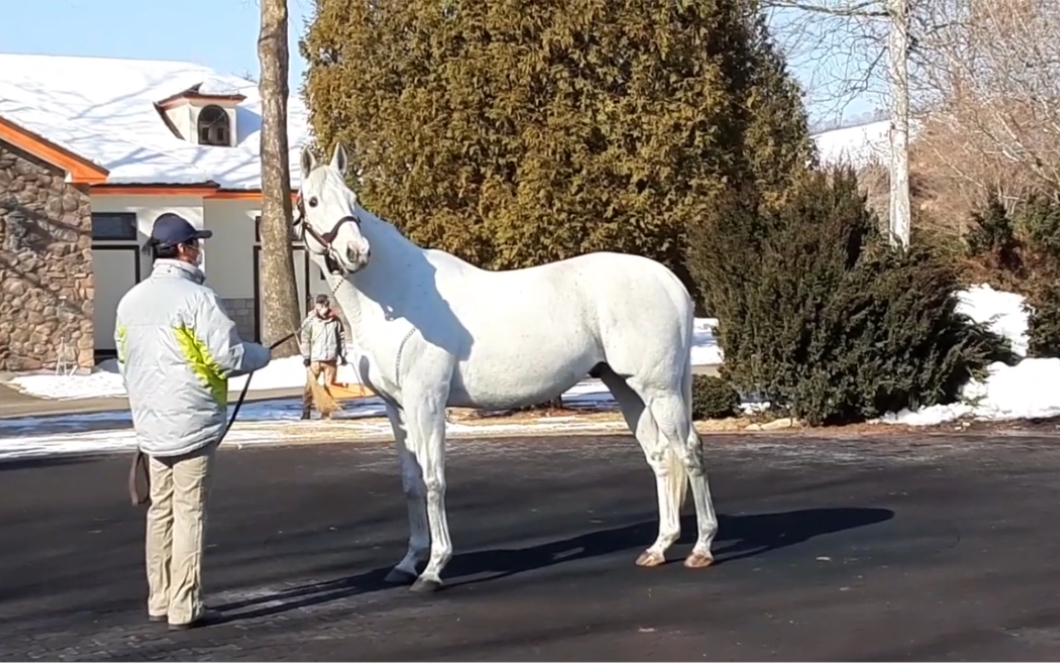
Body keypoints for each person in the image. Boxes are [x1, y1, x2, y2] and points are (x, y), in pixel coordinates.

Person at [114, 212, 271, 630]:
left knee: (160, 512)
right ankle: (185, 605)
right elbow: (228, 357)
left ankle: (160, 597)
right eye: (195, 244)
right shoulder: (198, 299)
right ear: (183, 249)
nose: (199, 250)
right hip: (192, 423)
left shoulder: (130, 300)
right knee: (189, 512)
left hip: (151, 424)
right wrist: (261, 353)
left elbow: (126, 360)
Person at [299, 294, 348, 420]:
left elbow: (340, 338)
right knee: (310, 386)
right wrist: (306, 356)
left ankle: (325, 413)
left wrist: (343, 354)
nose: (323, 308)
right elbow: (305, 339)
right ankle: (306, 411)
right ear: (316, 306)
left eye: (325, 305)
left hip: (331, 358)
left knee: (329, 386)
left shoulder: (335, 321)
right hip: (315, 359)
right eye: (320, 305)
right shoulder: (310, 322)